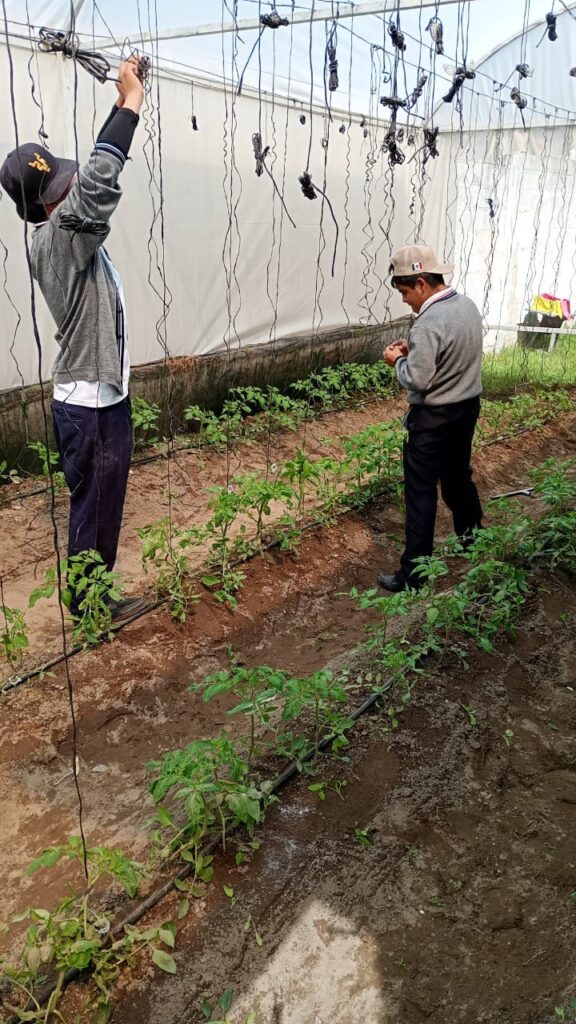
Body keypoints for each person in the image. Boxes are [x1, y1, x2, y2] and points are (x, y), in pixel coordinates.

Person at [0, 56, 148, 621]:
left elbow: (91, 181)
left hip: (100, 396)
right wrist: (132, 105)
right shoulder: (58, 237)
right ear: (44, 204)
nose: (71, 188)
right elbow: (101, 180)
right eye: (62, 186)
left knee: (102, 502)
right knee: (95, 504)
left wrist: (122, 98)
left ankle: (89, 593)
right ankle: (89, 604)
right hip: (89, 405)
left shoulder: (61, 234)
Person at [380, 243, 484, 592]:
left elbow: (417, 380)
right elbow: (453, 355)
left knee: (421, 492)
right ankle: (475, 542)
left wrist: (397, 361)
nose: (405, 300)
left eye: (406, 291)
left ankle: (414, 575)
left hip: (433, 419)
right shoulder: (466, 307)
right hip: (466, 409)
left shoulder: (427, 323)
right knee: (457, 479)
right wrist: (419, 354)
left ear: (422, 283)